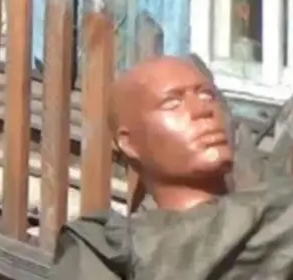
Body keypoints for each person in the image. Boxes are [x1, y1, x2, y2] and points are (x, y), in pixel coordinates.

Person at [50, 56, 293, 279]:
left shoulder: (278, 212)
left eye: (207, 95)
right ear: (129, 143)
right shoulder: (104, 251)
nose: (203, 110)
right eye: (172, 103)